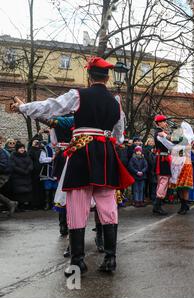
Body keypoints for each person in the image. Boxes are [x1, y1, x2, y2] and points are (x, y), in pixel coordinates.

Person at [10, 56, 134, 277]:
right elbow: (119, 135)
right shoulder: (116, 104)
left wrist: (24, 108)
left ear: (89, 76)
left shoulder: (79, 95)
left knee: (78, 204)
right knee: (108, 205)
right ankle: (110, 259)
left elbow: (51, 106)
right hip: (105, 153)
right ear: (107, 78)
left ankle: (78, 262)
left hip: (82, 152)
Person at [152, 115, 173, 215]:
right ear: (159, 123)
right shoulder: (160, 133)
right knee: (163, 181)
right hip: (162, 159)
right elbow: (169, 145)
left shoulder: (160, 132)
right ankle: (157, 205)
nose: (165, 123)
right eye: (164, 121)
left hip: (163, 158)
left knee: (162, 181)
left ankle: (158, 204)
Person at [9, 142, 33, 210]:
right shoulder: (13, 156)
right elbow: (13, 166)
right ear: (17, 149)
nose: (22, 149)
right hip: (17, 177)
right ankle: (20, 206)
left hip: (27, 176)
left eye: (23, 148)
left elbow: (31, 163)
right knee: (19, 193)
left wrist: (28, 170)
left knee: (27, 192)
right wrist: (22, 171)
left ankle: (26, 205)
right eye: (20, 148)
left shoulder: (27, 155)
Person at [0, 136, 17, 215]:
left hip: (3, 175)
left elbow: (3, 165)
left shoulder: (2, 152)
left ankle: (10, 203)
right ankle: (10, 203)